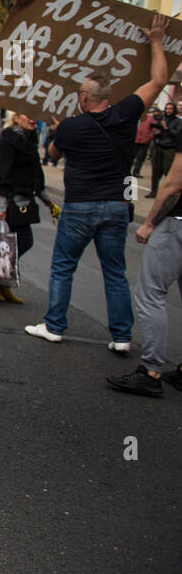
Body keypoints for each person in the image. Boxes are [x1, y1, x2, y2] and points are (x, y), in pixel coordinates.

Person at [26, 14, 171, 351]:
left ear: (83, 97)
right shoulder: (126, 113)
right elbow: (160, 79)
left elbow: (52, 153)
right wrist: (157, 40)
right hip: (116, 206)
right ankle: (121, 337)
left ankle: (54, 325)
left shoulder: (70, 127)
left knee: (63, 267)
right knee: (115, 272)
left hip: (79, 206)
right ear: (108, 95)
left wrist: (60, 130)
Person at [109, 155, 182, 396]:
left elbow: (173, 184)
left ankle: (151, 372)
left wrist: (149, 223)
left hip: (177, 223)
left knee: (151, 294)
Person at [0, 111, 49, 305]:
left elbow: (36, 174)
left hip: (24, 200)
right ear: (15, 118)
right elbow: (2, 172)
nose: (33, 118)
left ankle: (3, 283)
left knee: (17, 242)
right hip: (11, 200)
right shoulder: (8, 139)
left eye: (34, 116)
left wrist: (47, 199)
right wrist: (0, 204)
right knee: (16, 241)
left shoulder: (30, 140)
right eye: (27, 115)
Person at [148, 101, 181, 197]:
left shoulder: (178, 121)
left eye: (170, 109)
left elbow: (177, 134)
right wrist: (157, 131)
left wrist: (166, 128)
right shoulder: (163, 119)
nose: (168, 111)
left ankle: (167, 192)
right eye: (167, 108)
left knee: (168, 170)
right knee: (155, 170)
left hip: (169, 149)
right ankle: (153, 191)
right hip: (159, 146)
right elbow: (156, 130)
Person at [132, 110, 153, 178]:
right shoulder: (135, 115)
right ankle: (125, 171)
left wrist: (149, 136)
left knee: (140, 157)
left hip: (144, 141)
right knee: (130, 156)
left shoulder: (150, 118)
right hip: (134, 140)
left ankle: (136, 172)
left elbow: (153, 129)